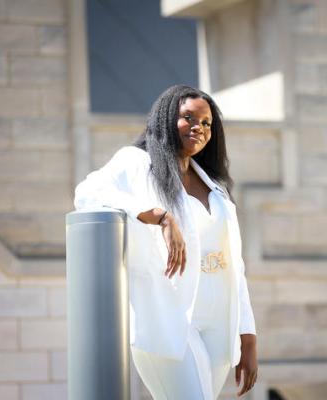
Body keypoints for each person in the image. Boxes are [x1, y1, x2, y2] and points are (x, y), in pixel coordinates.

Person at [73, 85, 258, 399]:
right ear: (166, 118)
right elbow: (87, 192)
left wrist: (248, 337)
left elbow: (234, 267)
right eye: (188, 117)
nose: (198, 127)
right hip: (169, 321)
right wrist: (160, 216)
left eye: (206, 123)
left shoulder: (214, 185)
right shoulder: (136, 162)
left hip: (217, 325)